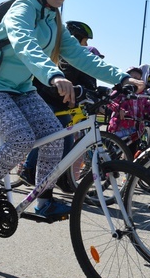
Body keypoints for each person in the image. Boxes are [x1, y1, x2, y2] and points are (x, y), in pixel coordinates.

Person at [0, 0, 143, 230]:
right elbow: (24, 44)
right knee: (20, 138)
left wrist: (121, 77)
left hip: (20, 88)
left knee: (55, 137)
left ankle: (43, 199)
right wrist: (53, 74)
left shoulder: (52, 18)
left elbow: (80, 56)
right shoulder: (20, 9)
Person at [17, 20, 103, 186]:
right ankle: (28, 169)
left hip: (63, 105)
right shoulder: (61, 55)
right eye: (85, 40)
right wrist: (72, 92)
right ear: (75, 38)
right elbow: (58, 80)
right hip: (46, 99)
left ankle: (62, 177)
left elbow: (86, 80)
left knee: (67, 141)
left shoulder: (76, 57)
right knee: (51, 134)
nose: (86, 45)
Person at [106, 67, 150, 153]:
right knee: (115, 152)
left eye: (138, 79)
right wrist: (119, 109)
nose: (135, 81)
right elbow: (110, 101)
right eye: (133, 78)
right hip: (119, 128)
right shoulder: (120, 90)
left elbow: (148, 104)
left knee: (132, 152)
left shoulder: (142, 94)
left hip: (135, 130)